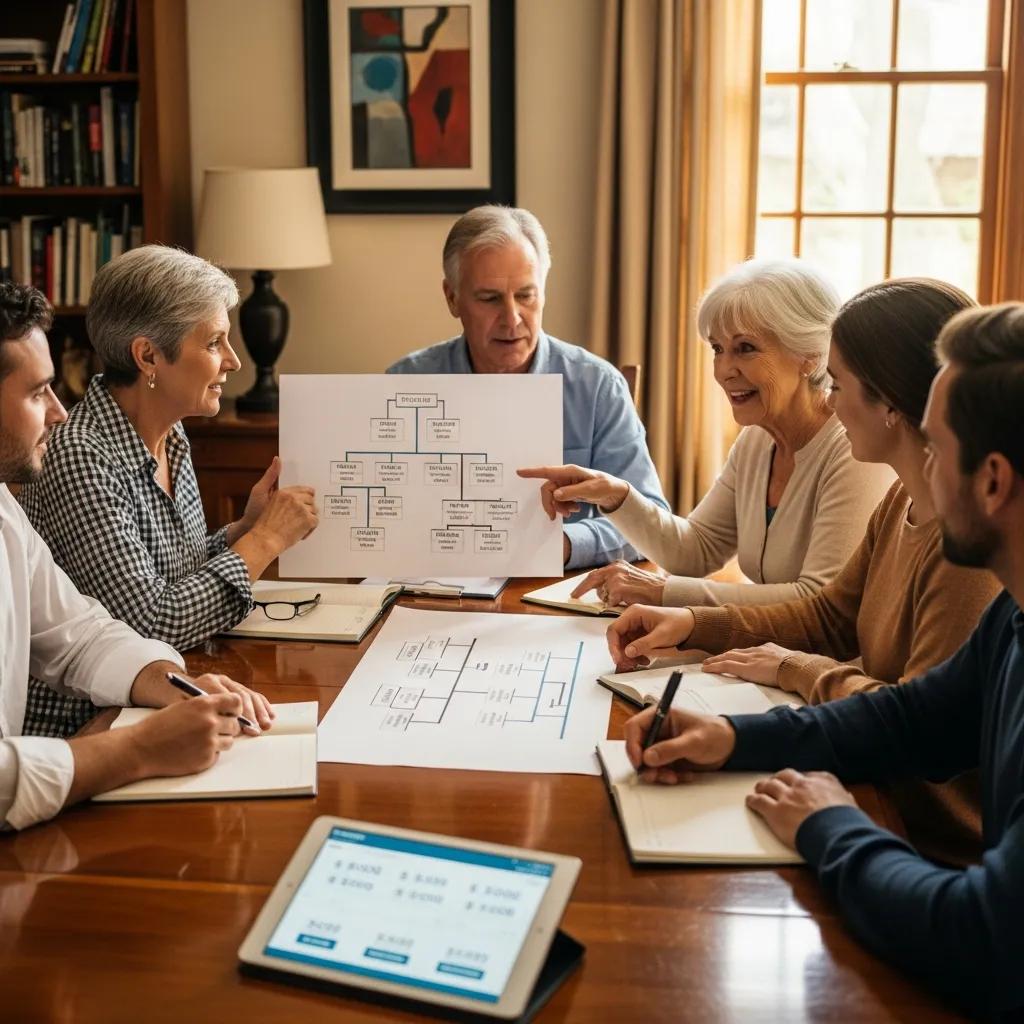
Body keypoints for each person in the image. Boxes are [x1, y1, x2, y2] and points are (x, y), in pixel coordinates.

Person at [611, 302, 1024, 1018]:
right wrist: (732, 739)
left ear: (991, 480)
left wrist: (829, 822)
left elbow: (980, 938)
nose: (923, 463)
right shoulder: (1012, 615)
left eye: (936, 443)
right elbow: (915, 718)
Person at [0, 280, 274, 831]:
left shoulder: (4, 508)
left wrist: (173, 682)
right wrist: (140, 748)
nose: (58, 412)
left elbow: (79, 634)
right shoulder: (81, 453)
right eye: (37, 393)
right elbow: (150, 613)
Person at [16, 249, 319, 738]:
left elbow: (175, 575)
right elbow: (152, 623)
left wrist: (243, 530)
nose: (233, 360)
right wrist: (265, 541)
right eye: (215, 342)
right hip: (83, 729)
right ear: (148, 356)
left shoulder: (171, 435)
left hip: (159, 696)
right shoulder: (80, 454)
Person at [519, 258, 894, 607]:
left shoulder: (855, 448)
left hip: (826, 656)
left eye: (745, 348)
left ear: (809, 354)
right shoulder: (757, 440)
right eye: (718, 349)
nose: (724, 370)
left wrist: (661, 591)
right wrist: (615, 495)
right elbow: (695, 551)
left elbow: (817, 602)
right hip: (769, 646)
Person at [386, 204, 669, 570]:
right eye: (490, 299)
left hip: (553, 590)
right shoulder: (405, 383)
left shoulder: (597, 387)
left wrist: (561, 545)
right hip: (430, 583)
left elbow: (649, 522)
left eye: (525, 295)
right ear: (452, 298)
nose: (512, 318)